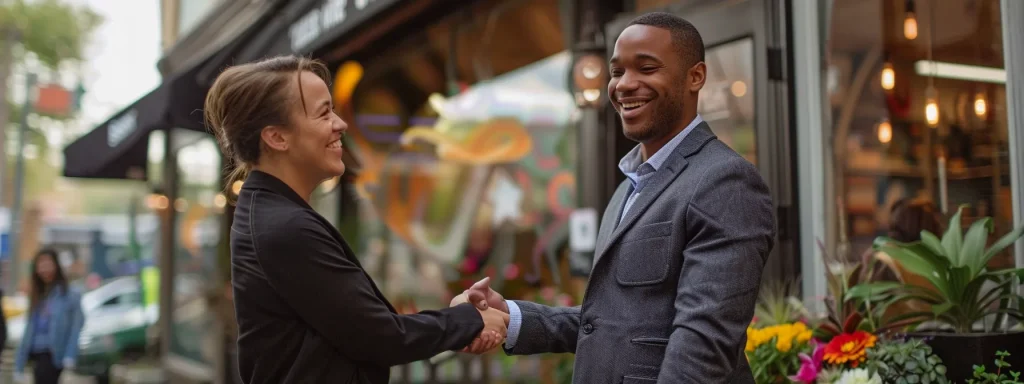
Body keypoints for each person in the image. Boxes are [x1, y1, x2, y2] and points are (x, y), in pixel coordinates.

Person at [452, 12, 775, 383]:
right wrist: (510, 317)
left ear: (695, 77)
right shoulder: (628, 188)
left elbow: (703, 347)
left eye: (647, 68)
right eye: (617, 71)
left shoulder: (725, 180)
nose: (624, 85)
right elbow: (611, 323)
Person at [206, 55, 508, 384]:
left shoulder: (271, 214)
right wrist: (470, 320)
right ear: (277, 137)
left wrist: (459, 317)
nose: (341, 124)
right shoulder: (284, 226)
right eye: (324, 113)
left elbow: (363, 327)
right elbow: (380, 337)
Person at [13, 248, 85, 384]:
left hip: (53, 353)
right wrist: (19, 365)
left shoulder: (69, 294)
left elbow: (76, 326)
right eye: (40, 265)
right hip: (35, 353)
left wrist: (70, 355)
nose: (44, 269)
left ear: (56, 266)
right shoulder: (37, 295)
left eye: (48, 264)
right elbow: (28, 330)